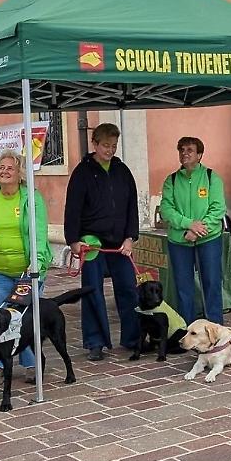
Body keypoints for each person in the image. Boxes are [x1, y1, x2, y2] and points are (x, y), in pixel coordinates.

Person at [0, 150, 52, 374]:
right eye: (1, 168)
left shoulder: (31, 198)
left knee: (25, 318)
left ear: (20, 173)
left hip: (27, 270)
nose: (4, 172)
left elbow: (40, 235)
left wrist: (37, 263)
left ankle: (31, 363)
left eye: (10, 168)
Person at [64, 122, 140, 361]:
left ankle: (132, 337)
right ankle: (95, 341)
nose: (110, 150)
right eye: (106, 145)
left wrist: (130, 237)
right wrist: (74, 241)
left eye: (114, 145)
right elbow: (72, 209)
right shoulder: (82, 172)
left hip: (120, 243)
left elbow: (132, 207)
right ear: (94, 144)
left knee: (128, 288)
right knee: (92, 290)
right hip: (92, 242)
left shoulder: (122, 170)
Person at [160, 136, 227, 324]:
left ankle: (214, 326)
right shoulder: (171, 180)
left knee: (212, 283)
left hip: (208, 239)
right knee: (183, 287)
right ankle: (187, 328)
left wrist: (197, 230)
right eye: (181, 150)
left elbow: (217, 208)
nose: (184, 153)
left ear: (199, 154)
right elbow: (166, 209)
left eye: (189, 150)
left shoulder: (211, 177)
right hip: (179, 240)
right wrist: (188, 224)